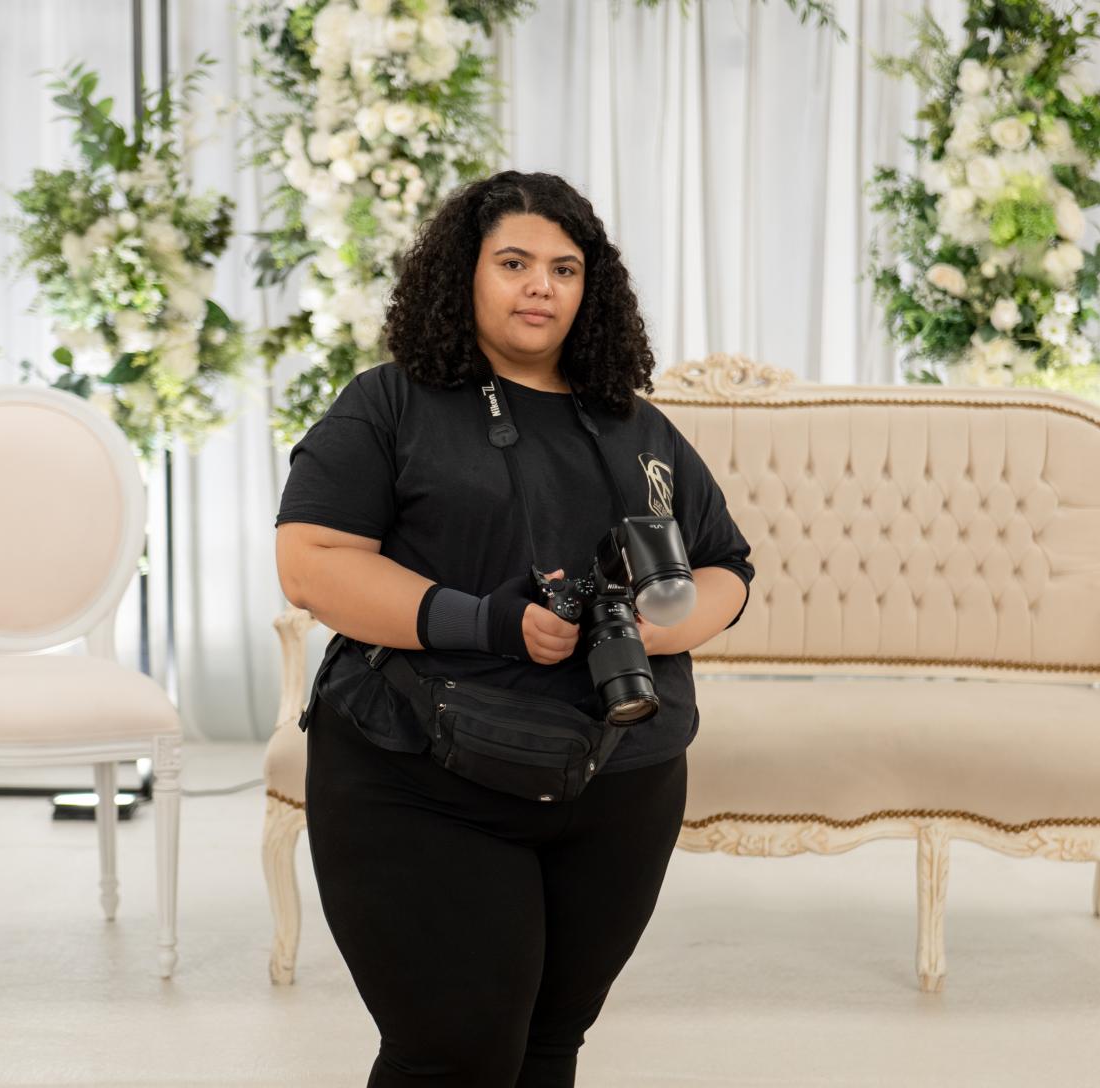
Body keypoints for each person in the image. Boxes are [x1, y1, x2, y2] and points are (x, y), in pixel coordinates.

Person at [275, 170, 753, 1087]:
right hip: (420, 777)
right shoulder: (390, 403)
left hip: (621, 780)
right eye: (514, 263)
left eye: (565, 269)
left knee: (547, 1047)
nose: (542, 286)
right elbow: (312, 563)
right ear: (464, 273)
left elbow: (727, 564)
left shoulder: (636, 426)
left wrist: (657, 629)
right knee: (453, 1057)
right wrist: (491, 622)